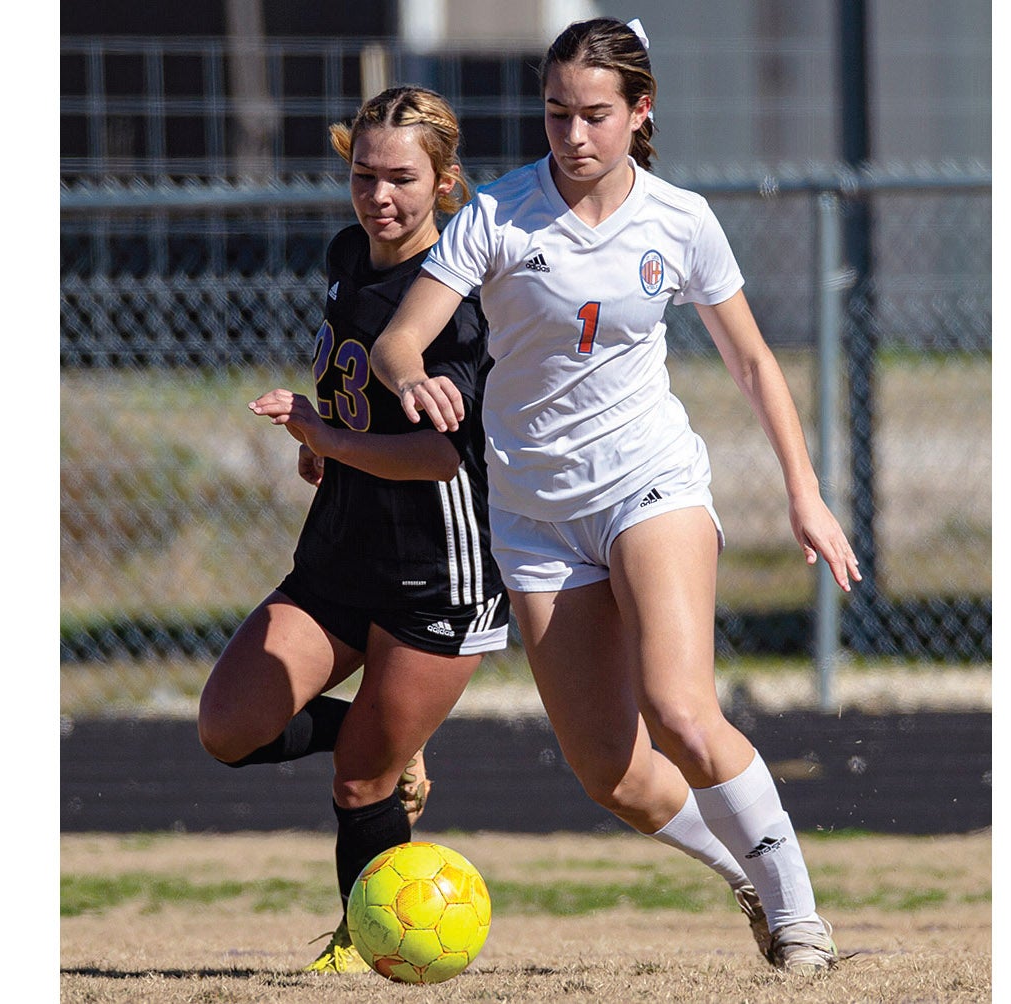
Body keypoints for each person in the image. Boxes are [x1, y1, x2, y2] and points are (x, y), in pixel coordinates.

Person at [371, 17, 861, 975]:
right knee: (611, 774)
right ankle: (748, 873)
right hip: (533, 511)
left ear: (640, 114)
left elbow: (755, 362)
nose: (573, 135)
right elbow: (400, 340)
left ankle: (801, 921)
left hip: (651, 482)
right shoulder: (499, 217)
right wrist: (407, 379)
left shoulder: (679, 221)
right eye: (556, 114)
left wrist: (808, 494)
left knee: (679, 707)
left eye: (595, 114)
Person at [196, 85, 508, 975]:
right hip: (342, 542)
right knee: (230, 726)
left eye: (404, 179)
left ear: (445, 183)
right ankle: (390, 738)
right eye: (364, 175)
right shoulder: (346, 254)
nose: (381, 197)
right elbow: (354, 387)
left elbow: (439, 460)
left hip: (437, 567)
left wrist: (326, 434)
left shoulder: (457, 298)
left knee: (360, 782)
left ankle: (366, 946)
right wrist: (325, 440)